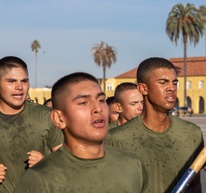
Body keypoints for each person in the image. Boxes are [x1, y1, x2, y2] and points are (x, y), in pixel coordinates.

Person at [13, 72, 147, 193]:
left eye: (101, 100)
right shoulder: (39, 179)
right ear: (59, 118)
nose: (97, 108)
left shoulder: (132, 165)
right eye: (83, 102)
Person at [107, 57, 204, 193]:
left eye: (174, 83)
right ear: (143, 88)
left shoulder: (192, 133)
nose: (171, 88)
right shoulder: (115, 139)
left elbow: (195, 186)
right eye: (163, 82)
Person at [0, 56, 63, 193]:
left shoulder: (47, 116)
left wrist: (46, 165)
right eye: (11, 81)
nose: (19, 87)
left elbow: (69, 165)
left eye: (24, 81)